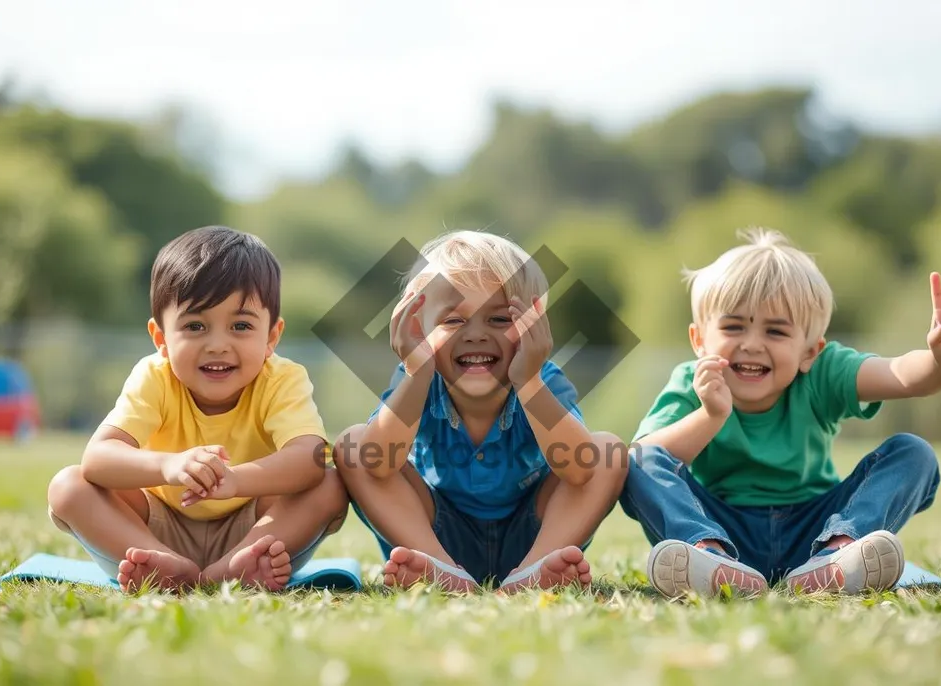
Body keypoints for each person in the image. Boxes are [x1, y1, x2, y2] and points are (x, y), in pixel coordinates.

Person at [620, 228, 941, 597]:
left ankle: (839, 555)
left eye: (776, 332)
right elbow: (645, 457)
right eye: (734, 326)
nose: (752, 344)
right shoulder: (692, 382)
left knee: (913, 453)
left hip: (815, 530)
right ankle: (708, 560)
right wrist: (710, 415)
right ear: (699, 340)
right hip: (721, 529)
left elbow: (901, 376)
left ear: (809, 352)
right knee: (635, 460)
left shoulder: (823, 372)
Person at [46, 226, 348, 592]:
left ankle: (232, 567)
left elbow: (309, 459)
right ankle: (162, 563)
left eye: (240, 325)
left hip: (254, 528)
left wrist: (235, 481)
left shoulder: (282, 379)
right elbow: (98, 458)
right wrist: (168, 465)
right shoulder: (154, 377)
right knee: (68, 485)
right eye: (195, 326)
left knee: (330, 482)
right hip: (155, 525)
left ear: (271, 336)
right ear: (161, 339)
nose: (217, 345)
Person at [332, 229, 629, 593]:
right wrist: (418, 373)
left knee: (605, 453)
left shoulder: (543, 379)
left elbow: (581, 470)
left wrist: (530, 383)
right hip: (437, 537)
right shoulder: (417, 378)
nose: (475, 334)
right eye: (453, 320)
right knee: (354, 447)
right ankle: (441, 571)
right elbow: (376, 464)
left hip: (534, 537)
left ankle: (531, 573)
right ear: (418, 328)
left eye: (500, 320)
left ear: (534, 326)